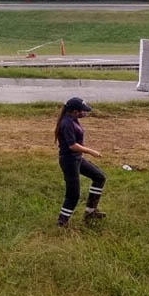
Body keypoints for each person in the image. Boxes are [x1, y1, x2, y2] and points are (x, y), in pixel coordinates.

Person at [54, 97, 106, 227]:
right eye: (83, 111)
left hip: (77, 159)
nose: (85, 113)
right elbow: (72, 146)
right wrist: (91, 151)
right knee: (73, 194)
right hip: (69, 161)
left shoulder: (73, 119)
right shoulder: (66, 123)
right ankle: (61, 223)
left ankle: (90, 211)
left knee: (99, 177)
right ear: (75, 111)